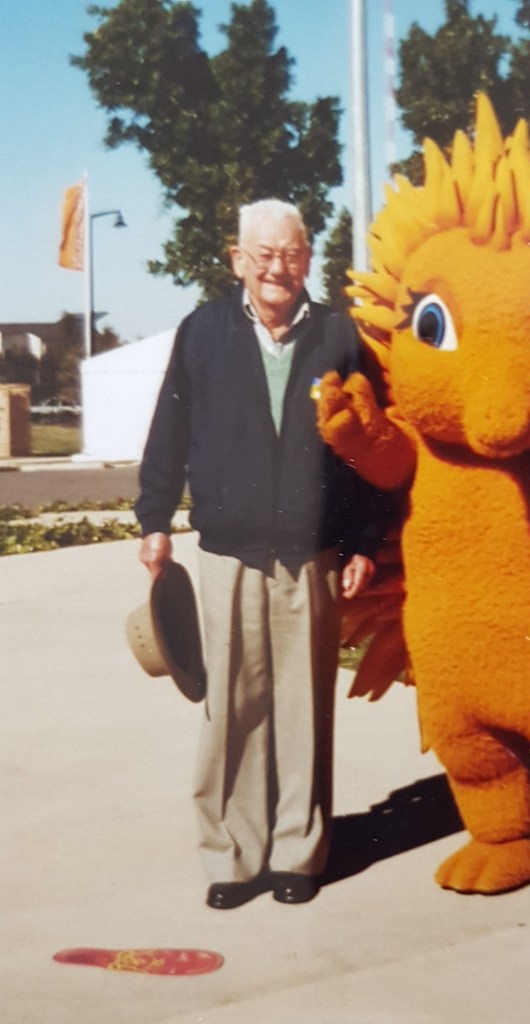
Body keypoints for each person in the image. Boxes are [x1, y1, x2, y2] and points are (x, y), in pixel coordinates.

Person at [136, 199, 388, 910]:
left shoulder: (340, 335)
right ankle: (231, 852)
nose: (279, 268)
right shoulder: (203, 333)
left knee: (304, 707)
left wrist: (366, 539)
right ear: (238, 260)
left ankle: (299, 851)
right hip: (229, 552)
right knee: (233, 708)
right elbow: (170, 430)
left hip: (312, 555)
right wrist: (154, 517)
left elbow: (368, 445)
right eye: (264, 254)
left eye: (292, 253)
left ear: (308, 258)